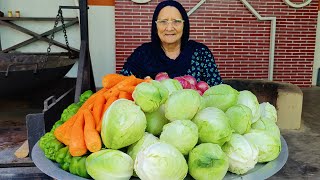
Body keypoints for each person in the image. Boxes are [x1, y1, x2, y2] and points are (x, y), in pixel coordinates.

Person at [120, 0, 222, 86]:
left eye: (176, 21)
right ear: (155, 26)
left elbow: (217, 91)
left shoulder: (201, 53)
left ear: (184, 25)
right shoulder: (142, 54)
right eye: (163, 21)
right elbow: (121, 85)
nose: (169, 28)